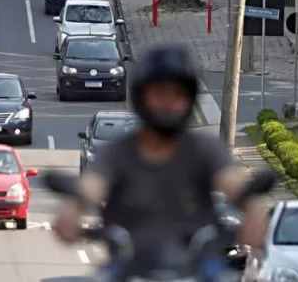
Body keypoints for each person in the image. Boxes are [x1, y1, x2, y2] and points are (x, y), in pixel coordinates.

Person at [51, 43, 271, 276]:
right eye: (159, 94)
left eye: (177, 95)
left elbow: (233, 182)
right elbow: (92, 184)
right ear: (141, 97)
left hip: (197, 266)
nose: (168, 103)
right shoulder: (118, 152)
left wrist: (253, 210)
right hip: (128, 264)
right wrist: (73, 207)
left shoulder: (204, 149)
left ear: (189, 99)